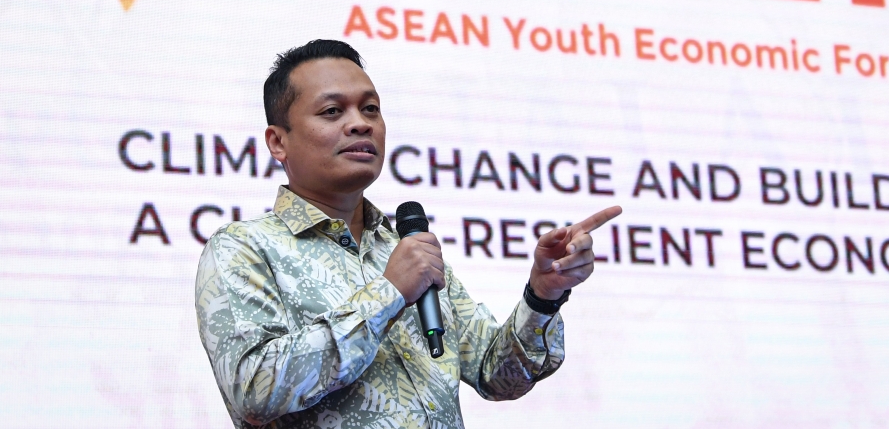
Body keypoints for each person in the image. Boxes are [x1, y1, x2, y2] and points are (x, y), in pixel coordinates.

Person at [195, 39, 621, 429]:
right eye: (332, 112)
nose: (360, 124)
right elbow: (253, 389)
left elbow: (497, 375)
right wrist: (388, 294)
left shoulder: (403, 246)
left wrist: (543, 295)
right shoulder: (243, 248)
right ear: (277, 142)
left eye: (370, 109)